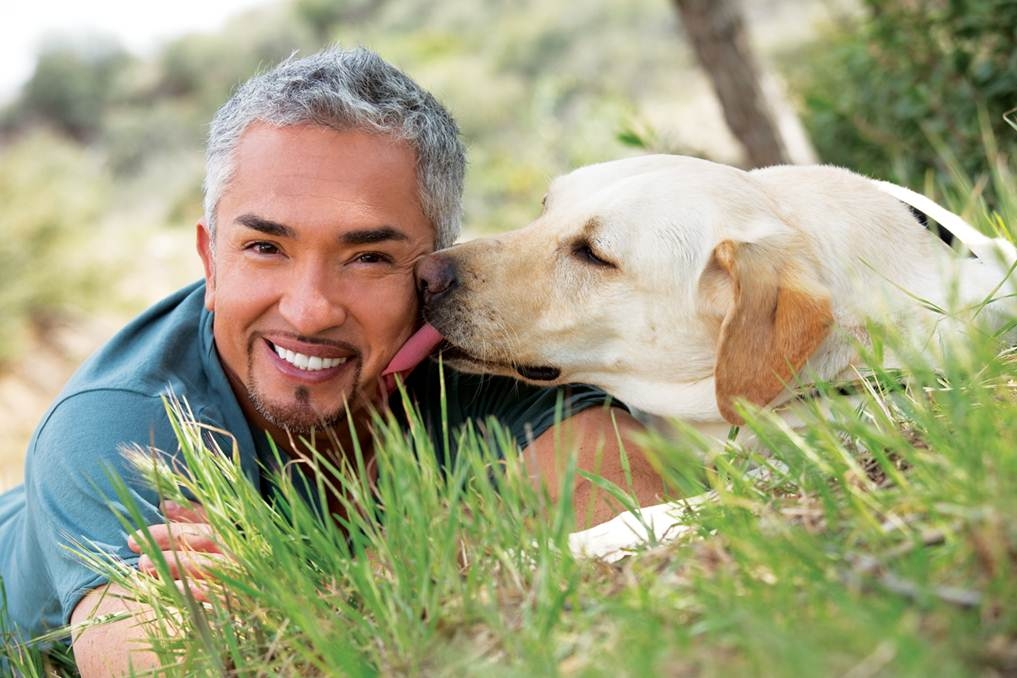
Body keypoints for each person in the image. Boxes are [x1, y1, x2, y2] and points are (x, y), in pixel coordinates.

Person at [0, 46, 662, 674]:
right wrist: (464, 549)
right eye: (265, 247)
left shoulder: (475, 360)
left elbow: (637, 493)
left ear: (432, 273)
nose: (310, 309)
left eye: (368, 257)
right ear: (209, 258)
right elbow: (160, 662)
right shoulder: (116, 422)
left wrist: (303, 585)